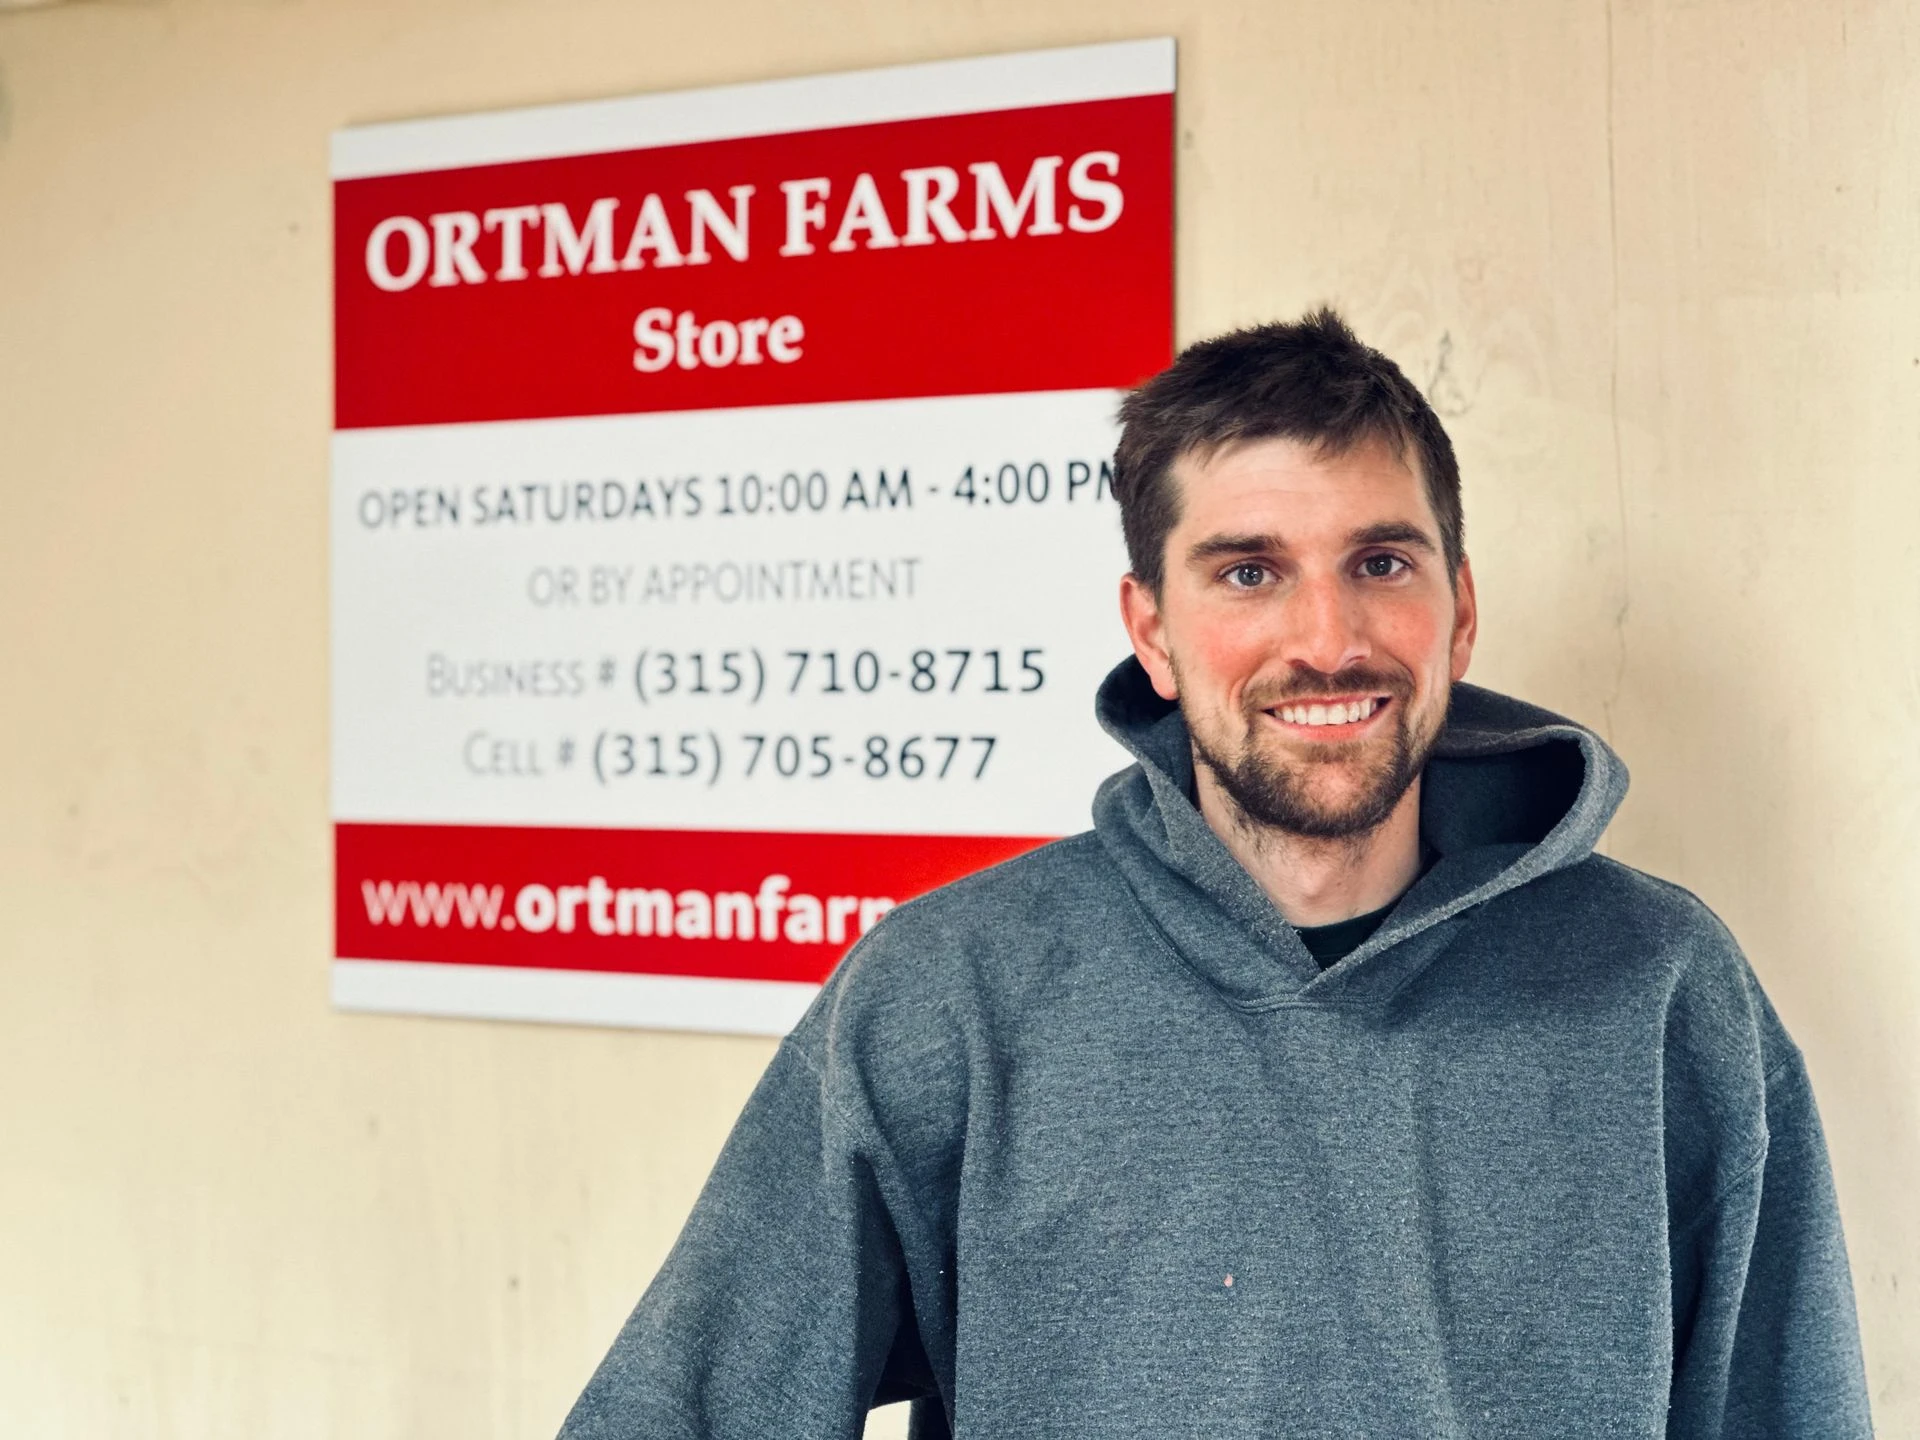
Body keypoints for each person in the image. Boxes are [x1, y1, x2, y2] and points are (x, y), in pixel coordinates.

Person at [557, 309, 1873, 1439]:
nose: (1328, 637)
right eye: (1249, 572)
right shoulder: (951, 995)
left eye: (1381, 563)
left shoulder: (1659, 991)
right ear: (1153, 630)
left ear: (1460, 610)